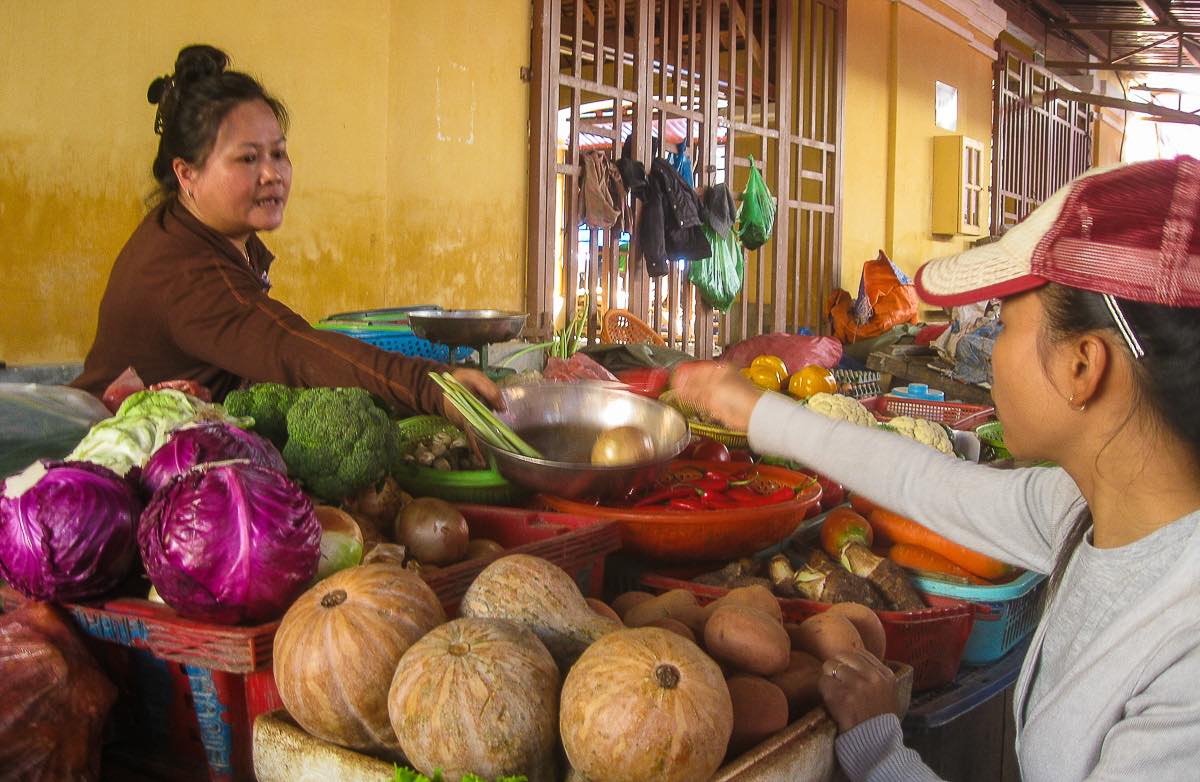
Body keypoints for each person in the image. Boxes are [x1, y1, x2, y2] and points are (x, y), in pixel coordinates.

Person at [672, 156, 1200, 781]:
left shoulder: (1186, 660)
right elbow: (927, 482)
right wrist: (755, 409)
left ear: (1083, 366)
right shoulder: (1086, 508)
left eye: (1002, 326)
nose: (987, 354)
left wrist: (879, 749)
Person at [72, 44, 499, 417]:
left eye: (278, 153)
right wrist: (430, 386)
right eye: (247, 159)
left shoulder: (214, 237)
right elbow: (288, 345)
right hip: (118, 459)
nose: (272, 174)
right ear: (187, 174)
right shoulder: (183, 267)